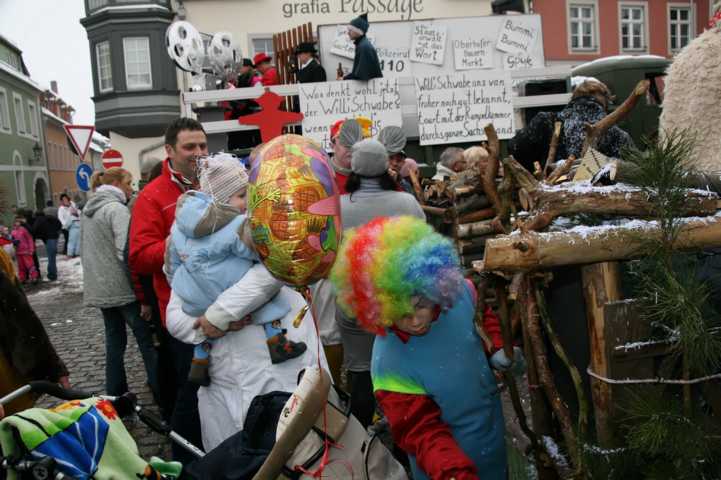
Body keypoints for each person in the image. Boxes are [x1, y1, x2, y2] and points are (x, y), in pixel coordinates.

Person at [331, 216, 511, 480]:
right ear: (379, 310)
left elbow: (481, 317)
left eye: (420, 305)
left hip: (494, 446)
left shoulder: (461, 294)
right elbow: (420, 431)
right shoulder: (388, 365)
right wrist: (453, 472)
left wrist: (496, 347)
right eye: (401, 315)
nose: (415, 321)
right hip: (447, 467)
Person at [166, 156, 307, 386]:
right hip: (246, 368)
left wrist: (185, 283)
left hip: (227, 369)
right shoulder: (237, 226)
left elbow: (172, 272)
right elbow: (265, 260)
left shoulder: (179, 233)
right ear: (220, 202)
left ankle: (200, 362)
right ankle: (277, 343)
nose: (248, 202)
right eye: (242, 196)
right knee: (268, 305)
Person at [166, 261, 328, 451]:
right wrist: (208, 325)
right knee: (234, 458)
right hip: (223, 384)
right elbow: (175, 319)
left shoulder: (262, 245)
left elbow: (274, 270)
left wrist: (220, 315)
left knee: (302, 449)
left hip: (281, 369)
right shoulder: (190, 247)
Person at [129, 117, 207, 463]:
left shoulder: (215, 182)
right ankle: (185, 462)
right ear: (170, 151)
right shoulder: (152, 196)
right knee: (190, 396)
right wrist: (181, 243)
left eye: (203, 146)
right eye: (189, 147)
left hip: (225, 311)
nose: (198, 153)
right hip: (184, 316)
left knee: (220, 390)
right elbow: (139, 256)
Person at [336, 139, 425, 428]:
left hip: (354, 303)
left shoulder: (338, 208)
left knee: (360, 371)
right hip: (400, 302)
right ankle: (406, 433)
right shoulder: (406, 203)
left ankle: (362, 441)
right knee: (401, 370)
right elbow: (423, 247)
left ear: (353, 168)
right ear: (386, 166)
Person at [80, 168, 159, 399]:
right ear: (115, 183)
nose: (130, 188)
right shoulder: (116, 209)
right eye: (128, 183)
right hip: (124, 289)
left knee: (115, 343)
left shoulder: (88, 210)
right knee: (146, 342)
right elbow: (127, 253)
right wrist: (141, 294)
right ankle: (159, 389)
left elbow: (85, 252)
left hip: (101, 288)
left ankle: (115, 394)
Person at [0, 247, 69, 419]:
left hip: (9, 378)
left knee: (15, 428)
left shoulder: (2, 258)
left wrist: (54, 367)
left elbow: (21, 317)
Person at [508, 79, 634, 173]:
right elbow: (635, 172)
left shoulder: (546, 121)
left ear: (573, 99)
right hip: (606, 202)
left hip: (553, 198)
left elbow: (515, 150)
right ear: (606, 104)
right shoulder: (619, 135)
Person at [329, 117, 372, 194]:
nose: (351, 146)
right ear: (332, 146)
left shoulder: (371, 174)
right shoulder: (323, 176)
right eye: (344, 141)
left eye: (355, 140)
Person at [378, 125, 421, 195]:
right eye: (390, 158)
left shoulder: (404, 183)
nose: (395, 163)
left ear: (404, 163)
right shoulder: (375, 180)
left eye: (399, 160)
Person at [341, 13, 383, 81]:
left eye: (350, 30)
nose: (348, 32)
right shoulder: (362, 44)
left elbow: (360, 75)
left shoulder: (363, 47)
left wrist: (344, 78)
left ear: (358, 31)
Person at [32, 210, 62, 281]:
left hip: (49, 238)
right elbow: (59, 224)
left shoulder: (38, 220)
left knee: (51, 257)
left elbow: (35, 230)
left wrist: (38, 237)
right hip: (54, 237)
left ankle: (52, 275)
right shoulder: (50, 217)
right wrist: (56, 231)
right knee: (52, 256)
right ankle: (52, 273)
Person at [11, 216, 39, 284]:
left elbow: (29, 239)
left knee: (30, 265)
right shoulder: (12, 232)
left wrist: (31, 249)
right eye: (15, 222)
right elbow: (11, 241)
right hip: (18, 252)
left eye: (18, 222)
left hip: (26, 251)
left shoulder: (23, 229)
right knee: (21, 266)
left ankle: (34, 277)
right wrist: (13, 243)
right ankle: (22, 278)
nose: (16, 223)